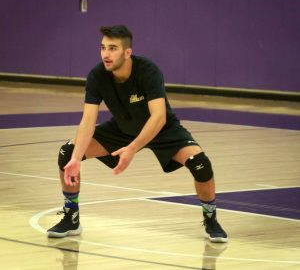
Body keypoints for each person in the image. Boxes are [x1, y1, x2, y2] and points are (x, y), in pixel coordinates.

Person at [47, 25, 228, 243]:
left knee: (200, 163)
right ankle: (71, 217)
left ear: (127, 52)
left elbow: (158, 116)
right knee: (67, 153)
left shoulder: (148, 70)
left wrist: (132, 148)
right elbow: (88, 121)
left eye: (113, 48)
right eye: (103, 47)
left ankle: (211, 219)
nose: (106, 54)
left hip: (162, 129)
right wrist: (76, 158)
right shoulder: (97, 76)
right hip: (122, 128)